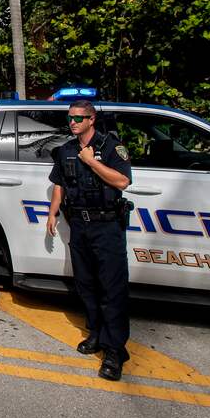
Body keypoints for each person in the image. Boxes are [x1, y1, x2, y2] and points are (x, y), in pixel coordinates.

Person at [47, 100, 132, 381]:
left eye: (78, 118)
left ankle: (114, 351)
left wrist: (92, 161)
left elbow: (122, 182)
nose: (72, 122)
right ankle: (96, 333)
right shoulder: (67, 149)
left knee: (112, 288)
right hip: (80, 226)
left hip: (107, 226)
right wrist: (53, 211)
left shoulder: (110, 146)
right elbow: (60, 182)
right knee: (86, 285)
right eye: (70, 117)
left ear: (92, 119)